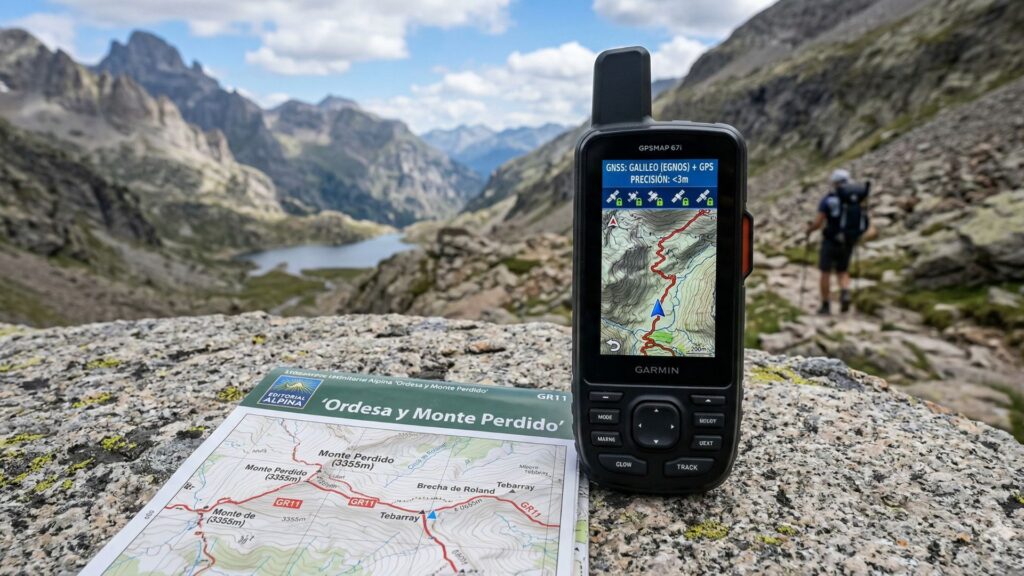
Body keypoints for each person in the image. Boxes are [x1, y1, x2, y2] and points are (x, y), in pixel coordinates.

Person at [805, 169, 870, 315]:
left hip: (831, 240)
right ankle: (845, 292)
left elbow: (818, 222)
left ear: (834, 183)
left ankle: (825, 305)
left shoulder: (828, 199)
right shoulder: (856, 198)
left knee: (825, 272)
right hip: (848, 240)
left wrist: (809, 230)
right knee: (842, 270)